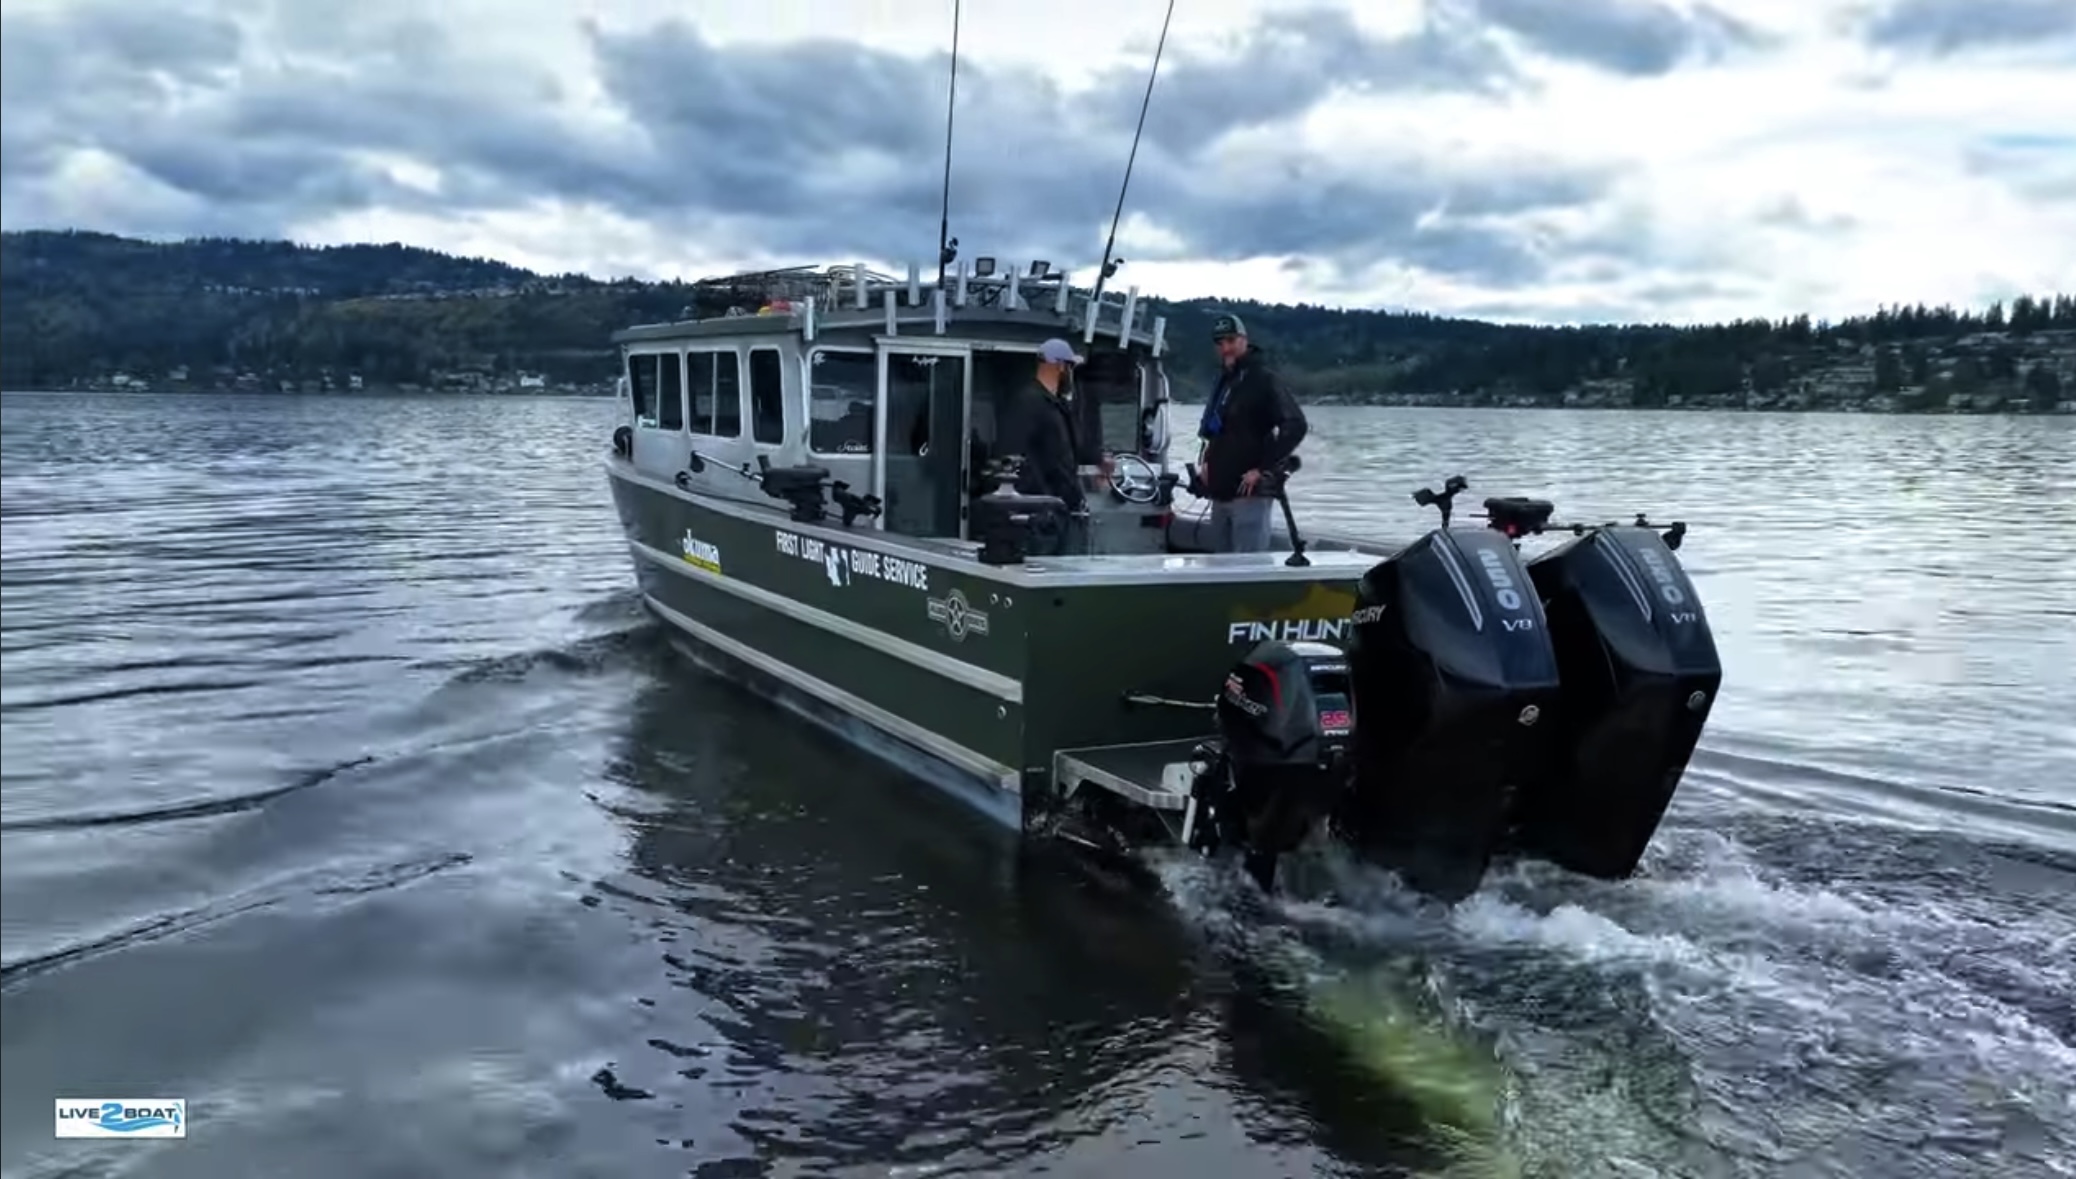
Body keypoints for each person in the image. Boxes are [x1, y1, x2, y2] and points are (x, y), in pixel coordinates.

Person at [1196, 313, 1307, 552]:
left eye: (1231, 340)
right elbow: (1217, 429)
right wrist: (1206, 462)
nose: (1225, 348)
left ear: (1244, 340)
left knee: (1247, 565)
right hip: (1219, 492)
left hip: (1250, 496)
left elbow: (1296, 425)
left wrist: (1262, 468)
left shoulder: (1264, 380)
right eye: (1219, 343)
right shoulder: (1224, 381)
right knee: (1218, 566)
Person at [998, 337, 1090, 554]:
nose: (1071, 374)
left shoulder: (1055, 406)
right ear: (1060, 366)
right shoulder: (1029, 402)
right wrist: (1037, 503)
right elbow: (1013, 457)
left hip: (1057, 512)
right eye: (1070, 367)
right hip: (1039, 516)